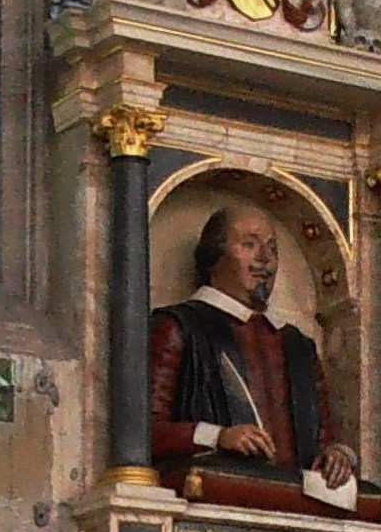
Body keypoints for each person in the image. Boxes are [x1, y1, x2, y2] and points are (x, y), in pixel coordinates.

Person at [151, 206, 355, 490]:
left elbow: (324, 439)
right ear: (214, 257)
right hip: (213, 501)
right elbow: (143, 431)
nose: (266, 259)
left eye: (272, 248)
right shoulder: (179, 326)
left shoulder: (297, 346)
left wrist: (337, 456)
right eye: (249, 244)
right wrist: (218, 437)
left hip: (291, 504)